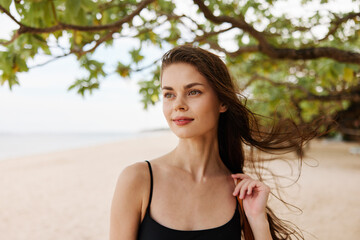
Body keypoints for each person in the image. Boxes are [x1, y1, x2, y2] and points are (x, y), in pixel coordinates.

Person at [110, 45, 314, 240]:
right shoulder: (138, 179)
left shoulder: (238, 192)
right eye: (169, 94)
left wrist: (257, 220)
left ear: (223, 102)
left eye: (193, 92)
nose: (178, 105)